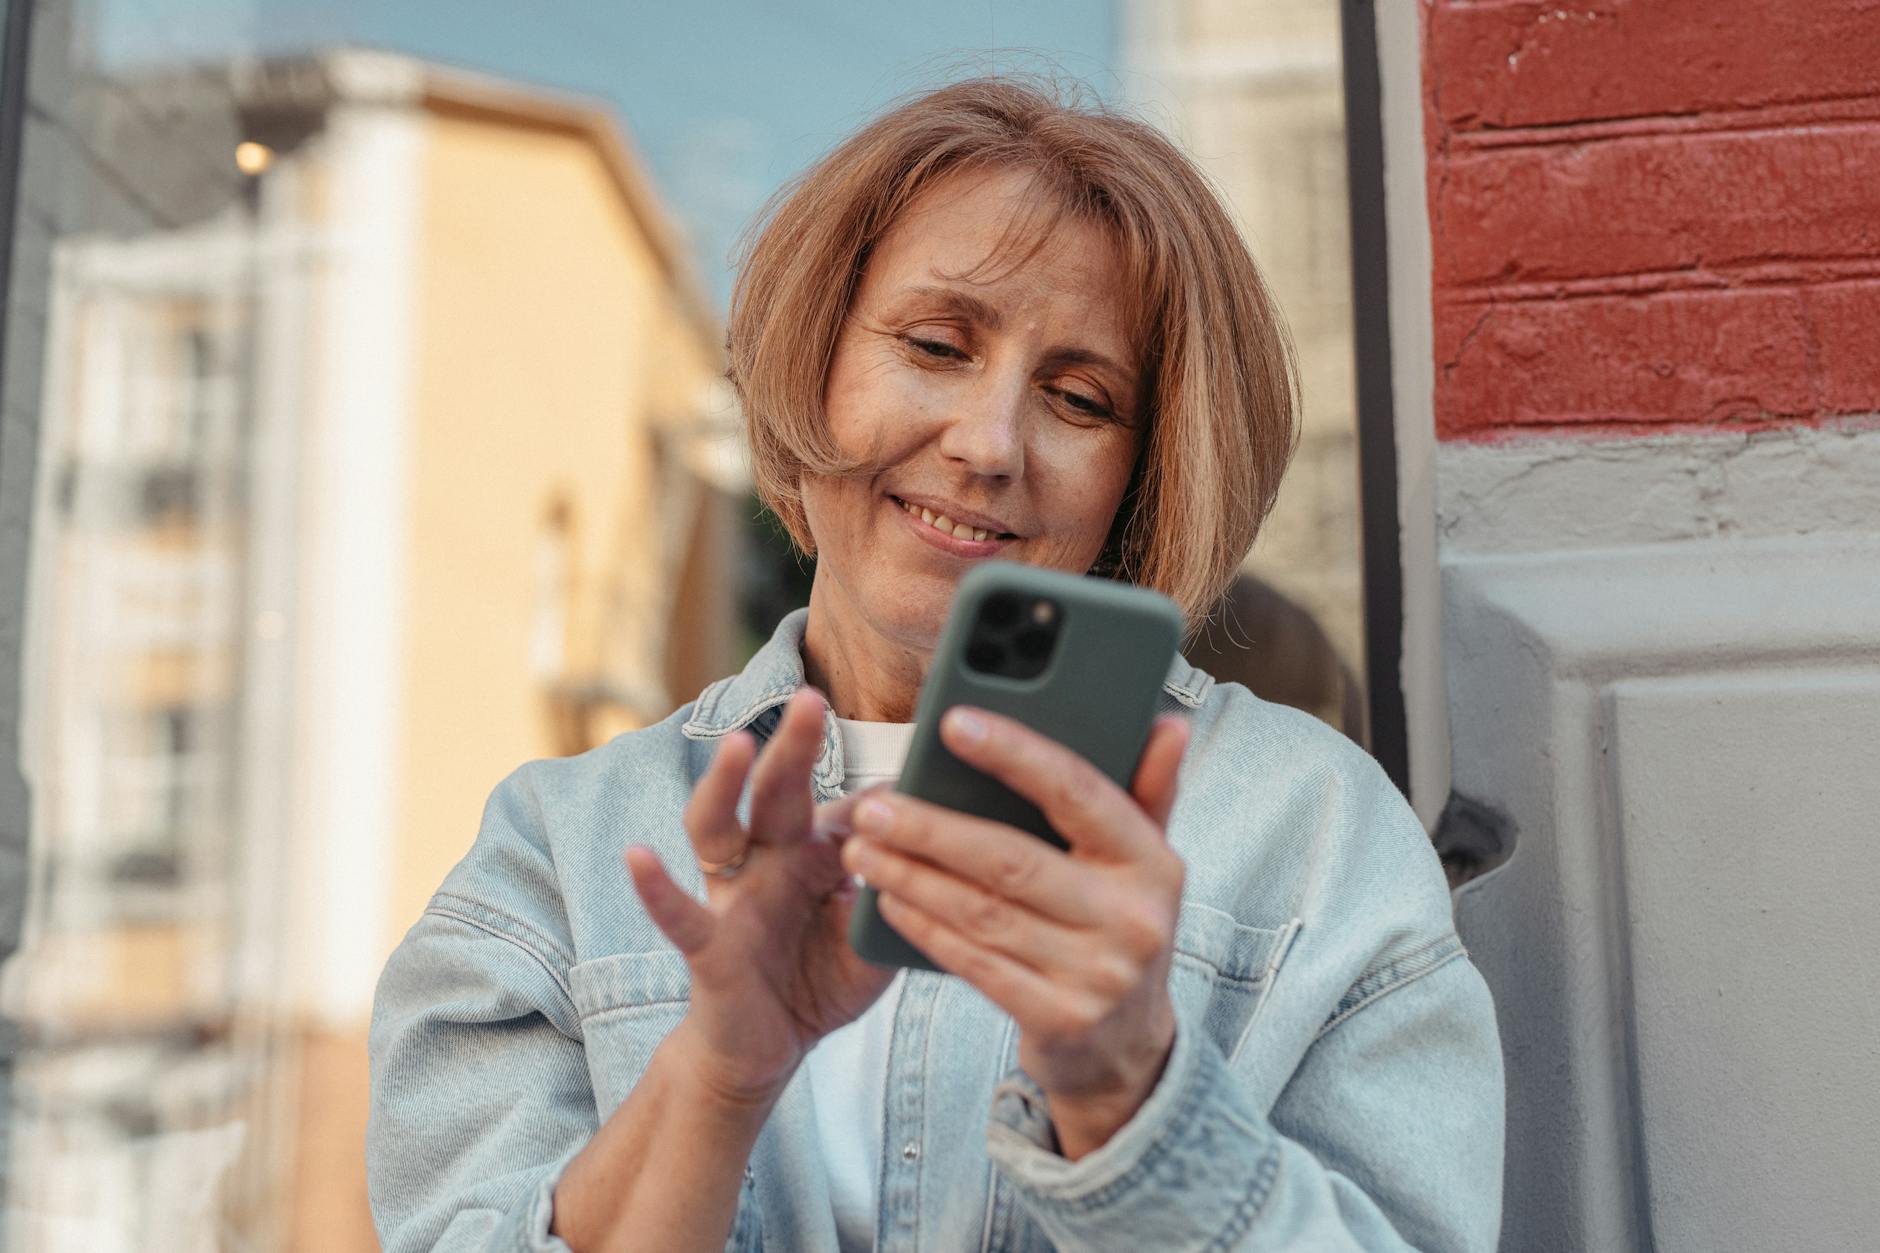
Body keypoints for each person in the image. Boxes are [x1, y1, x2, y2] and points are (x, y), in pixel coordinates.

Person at [367, 76, 1504, 1252]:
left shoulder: (1310, 834)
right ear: (812, 363)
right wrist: (710, 1081)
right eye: (933, 345)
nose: (988, 442)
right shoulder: (564, 852)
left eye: (1078, 397)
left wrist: (1130, 1096)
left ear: (1144, 474)